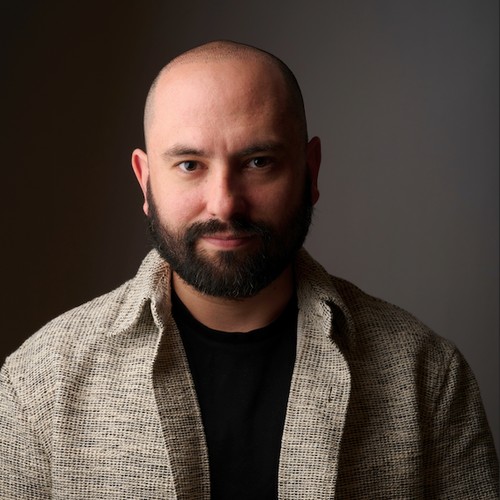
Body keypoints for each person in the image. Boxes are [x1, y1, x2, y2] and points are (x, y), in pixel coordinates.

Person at [0, 40, 497, 499]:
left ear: (310, 170)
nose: (225, 204)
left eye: (258, 162)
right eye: (190, 164)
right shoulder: (37, 385)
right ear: (145, 180)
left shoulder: (426, 376)